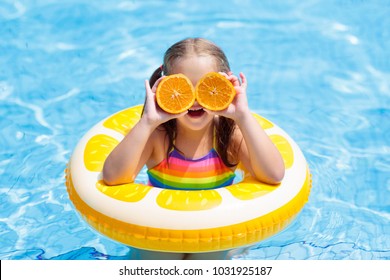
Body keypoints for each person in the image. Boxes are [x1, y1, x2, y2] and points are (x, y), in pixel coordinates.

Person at [102, 37, 285, 259]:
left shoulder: (229, 136)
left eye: (207, 87)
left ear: (226, 85)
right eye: (184, 88)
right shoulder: (157, 136)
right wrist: (148, 121)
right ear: (164, 86)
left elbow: (274, 175)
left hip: (213, 234)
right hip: (161, 233)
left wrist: (243, 116)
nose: (196, 100)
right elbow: (113, 178)